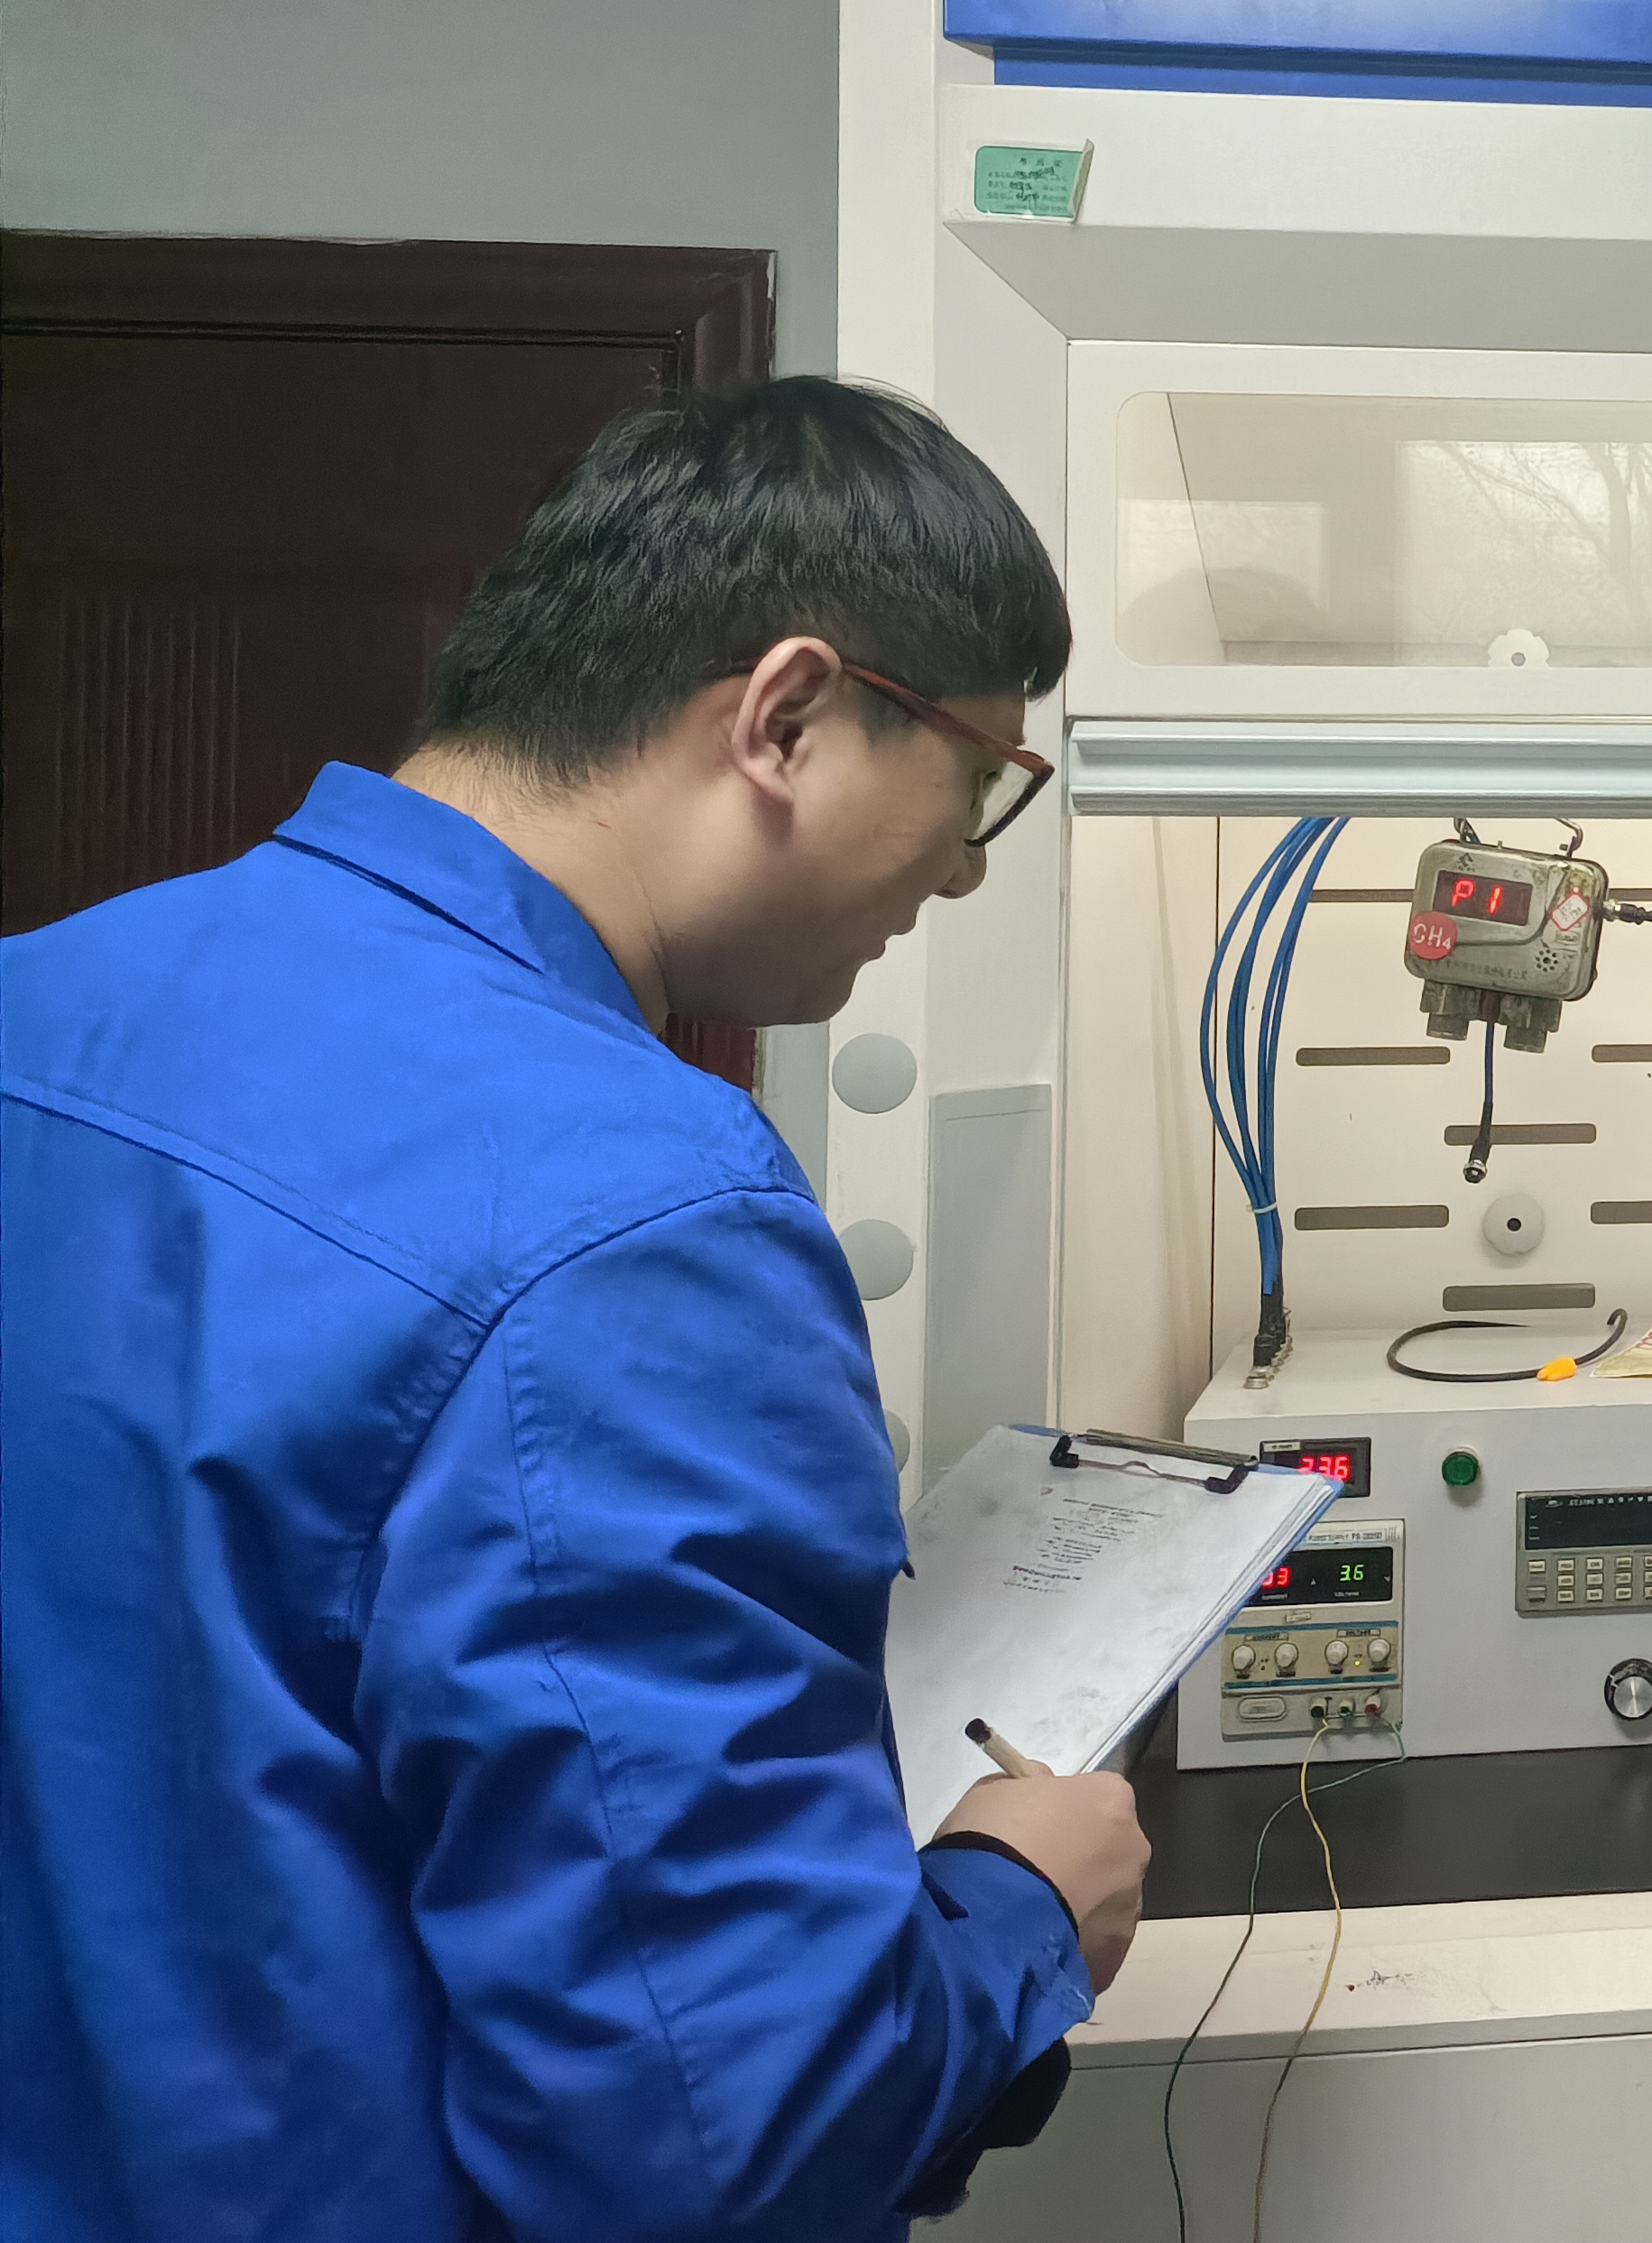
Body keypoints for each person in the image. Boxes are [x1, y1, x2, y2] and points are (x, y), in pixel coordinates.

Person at [2, 378, 1149, 2243]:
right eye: (979, 785)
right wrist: (1019, 1905)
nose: (959, 866)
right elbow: (723, 2140)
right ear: (788, 716)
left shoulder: (40, 1010)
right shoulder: (640, 1218)